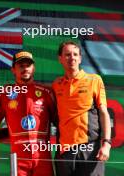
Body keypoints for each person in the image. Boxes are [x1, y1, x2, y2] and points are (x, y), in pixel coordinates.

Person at [52, 41, 111, 176]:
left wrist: (106, 144)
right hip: (64, 151)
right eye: (67, 55)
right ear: (60, 59)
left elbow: (104, 113)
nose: (71, 58)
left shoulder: (94, 80)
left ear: (80, 58)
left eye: (75, 54)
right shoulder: (56, 84)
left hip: (90, 148)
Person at [0, 51, 56, 176]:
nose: (25, 69)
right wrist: (12, 138)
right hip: (18, 159)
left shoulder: (46, 92)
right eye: (21, 66)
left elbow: (60, 123)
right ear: (13, 69)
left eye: (28, 65)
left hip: (42, 158)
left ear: (33, 68)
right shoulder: (5, 93)